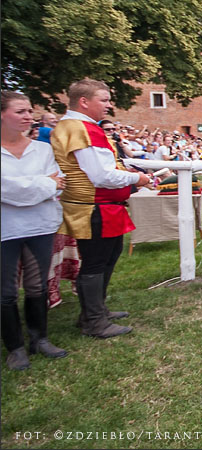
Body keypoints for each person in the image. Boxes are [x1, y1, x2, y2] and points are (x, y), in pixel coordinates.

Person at [51, 79, 151, 338]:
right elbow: (101, 175)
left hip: (99, 205)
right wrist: (137, 178)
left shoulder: (75, 126)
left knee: (108, 255)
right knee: (95, 262)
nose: (109, 105)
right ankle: (94, 320)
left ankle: (95, 311)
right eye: (104, 100)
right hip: (93, 205)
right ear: (84, 102)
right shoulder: (82, 128)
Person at [1, 91, 69, 370]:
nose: (28, 116)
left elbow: (59, 184)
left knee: (37, 284)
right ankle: (15, 348)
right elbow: (6, 188)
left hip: (40, 225)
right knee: (6, 291)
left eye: (30, 110)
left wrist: (39, 186)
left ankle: (39, 338)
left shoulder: (42, 149)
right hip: (5, 228)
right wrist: (43, 184)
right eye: (20, 111)